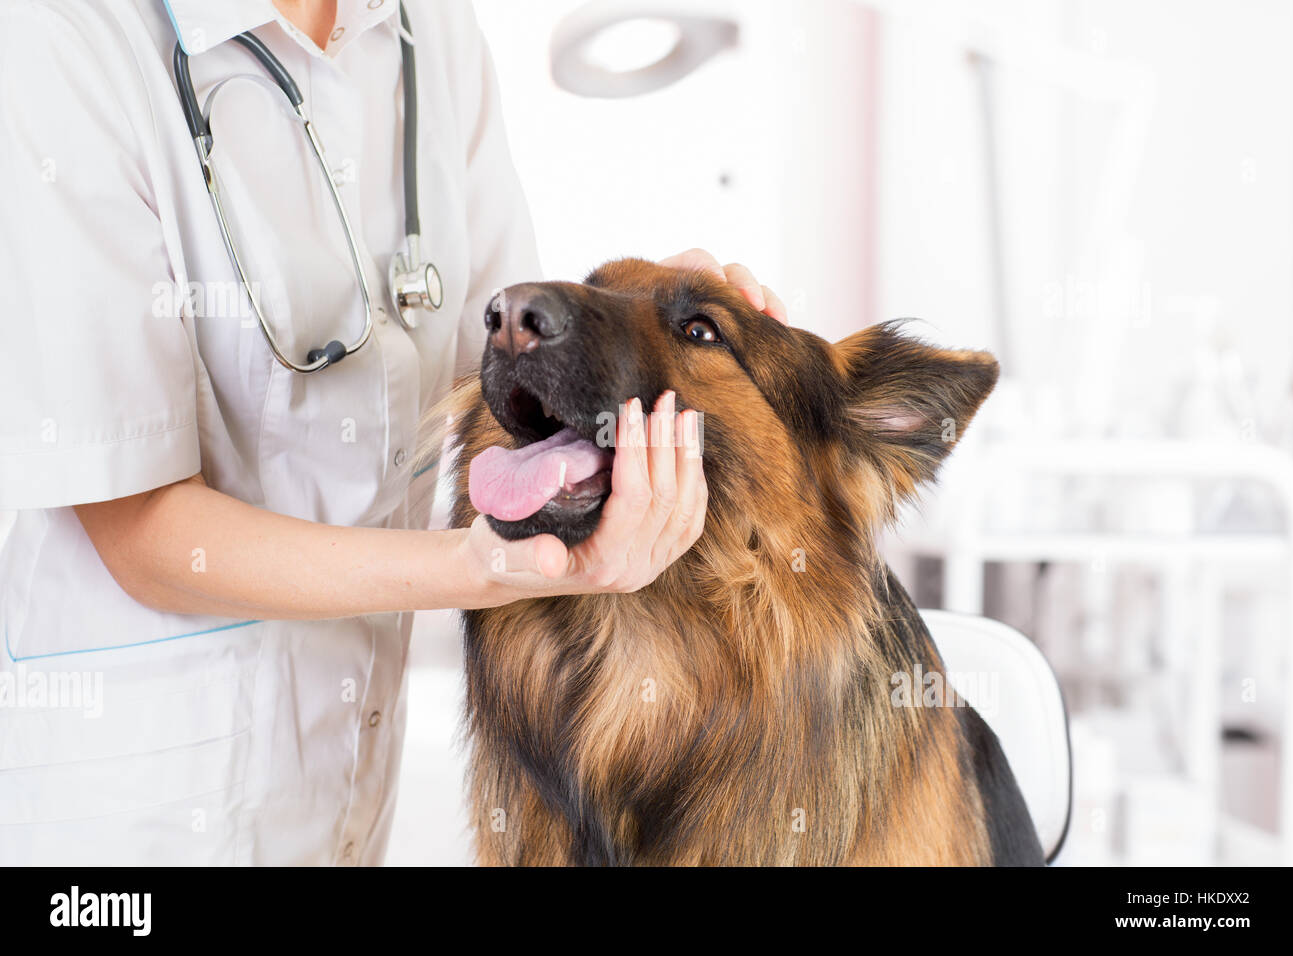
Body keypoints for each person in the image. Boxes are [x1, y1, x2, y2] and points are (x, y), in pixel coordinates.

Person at [0, 0, 786, 865]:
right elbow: (139, 531)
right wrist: (475, 568)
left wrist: (639, 321)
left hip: (348, 782)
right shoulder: (62, 36)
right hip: (132, 810)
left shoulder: (429, 27)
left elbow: (499, 346)